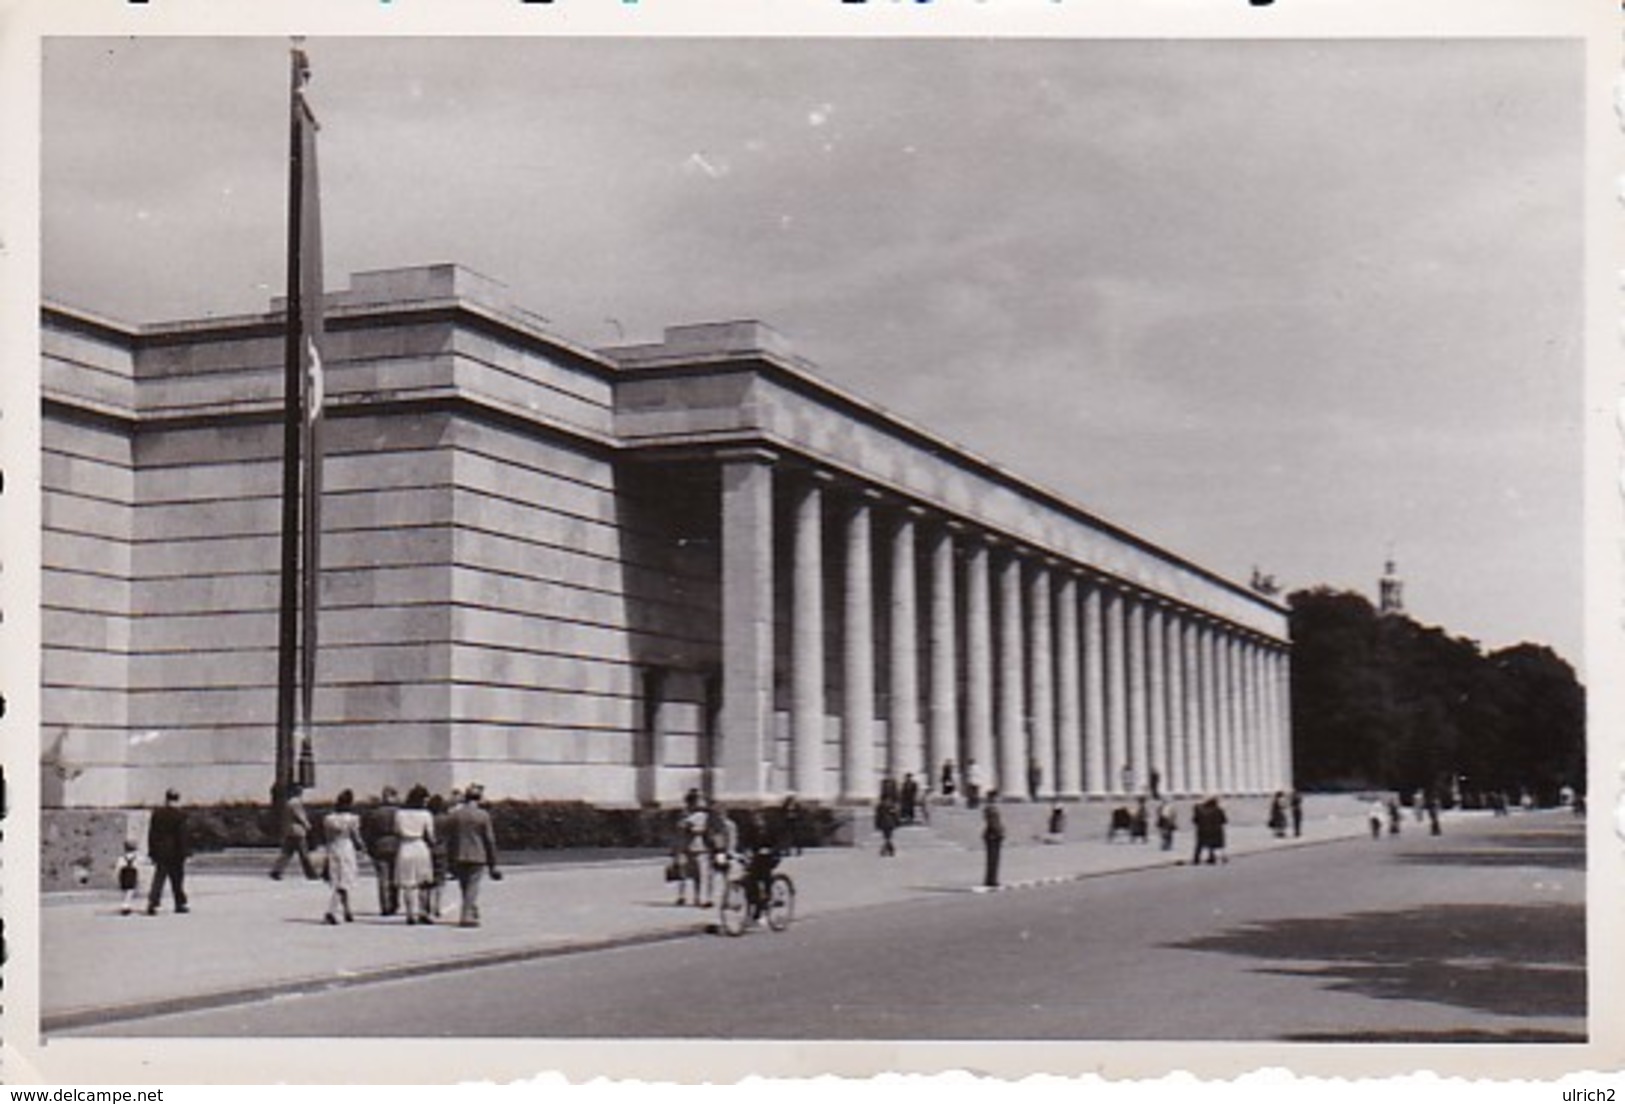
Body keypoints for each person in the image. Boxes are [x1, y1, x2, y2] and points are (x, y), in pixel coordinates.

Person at [446, 783, 503, 928]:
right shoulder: (483, 815)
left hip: (459, 853)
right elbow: (489, 840)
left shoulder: (455, 815)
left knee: (464, 886)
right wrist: (493, 863)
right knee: (473, 886)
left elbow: (450, 837)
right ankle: (466, 915)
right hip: (477, 854)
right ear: (479, 798)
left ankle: (470, 908)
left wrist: (449, 857)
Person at [321, 789, 367, 925]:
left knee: (339, 878)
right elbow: (356, 836)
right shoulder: (353, 819)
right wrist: (363, 847)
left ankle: (348, 910)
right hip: (346, 848)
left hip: (333, 848)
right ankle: (332, 910)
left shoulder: (329, 819)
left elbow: (327, 836)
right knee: (344, 881)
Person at [394, 784, 437, 925]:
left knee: (408, 884)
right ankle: (423, 911)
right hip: (420, 846)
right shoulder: (426, 815)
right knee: (423, 882)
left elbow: (397, 831)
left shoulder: (400, 814)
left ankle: (410, 913)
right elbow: (430, 835)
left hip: (405, 847)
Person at [146, 787, 190, 915]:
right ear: (177, 799)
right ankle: (179, 903)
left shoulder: (157, 814)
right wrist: (185, 852)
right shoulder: (180, 815)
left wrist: (152, 851)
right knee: (177, 879)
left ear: (166, 798)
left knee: (159, 878)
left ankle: (153, 903)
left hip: (160, 851)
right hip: (175, 852)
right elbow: (182, 836)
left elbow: (152, 834)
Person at [362, 786, 402, 916]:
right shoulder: (399, 813)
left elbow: (368, 833)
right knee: (395, 877)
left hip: (379, 845)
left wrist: (369, 848)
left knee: (383, 878)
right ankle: (394, 903)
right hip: (396, 844)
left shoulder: (375, 813)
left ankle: (385, 905)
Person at [269, 782, 319, 881]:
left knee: (286, 853)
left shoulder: (289, 802)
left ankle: (276, 871)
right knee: (304, 854)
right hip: (298, 831)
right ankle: (311, 874)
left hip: (290, 830)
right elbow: (300, 816)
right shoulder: (296, 802)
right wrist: (308, 825)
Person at [676, 789, 712, 907]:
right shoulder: (684, 815)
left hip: (700, 848)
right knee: (683, 873)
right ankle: (682, 896)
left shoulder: (703, 816)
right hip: (685, 847)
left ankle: (698, 897)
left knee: (699, 875)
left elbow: (704, 830)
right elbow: (680, 828)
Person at [707, 800, 739, 906]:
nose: (716, 816)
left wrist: (730, 851)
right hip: (716, 851)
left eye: (718, 813)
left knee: (726, 875)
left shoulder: (728, 825)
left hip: (724, 852)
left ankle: (728, 899)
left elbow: (732, 839)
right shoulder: (713, 825)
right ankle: (710, 898)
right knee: (713, 875)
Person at [428, 793, 452, 919]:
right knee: (440, 879)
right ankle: (438, 905)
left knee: (428, 880)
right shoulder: (447, 819)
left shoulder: (428, 818)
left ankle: (429, 906)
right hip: (442, 849)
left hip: (428, 850)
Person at [115, 840, 147, 916]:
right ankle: (126, 906)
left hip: (124, 874)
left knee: (125, 891)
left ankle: (125, 905)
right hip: (132, 874)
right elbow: (144, 862)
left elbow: (118, 868)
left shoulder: (121, 858)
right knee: (130, 891)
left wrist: (117, 877)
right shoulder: (137, 857)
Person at [981, 790, 1005, 888]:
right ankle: (990, 880)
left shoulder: (992, 808)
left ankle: (992, 878)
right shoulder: (990, 808)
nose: (997, 799)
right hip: (992, 836)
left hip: (994, 835)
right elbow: (992, 823)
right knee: (992, 860)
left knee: (994, 859)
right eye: (995, 797)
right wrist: (999, 832)